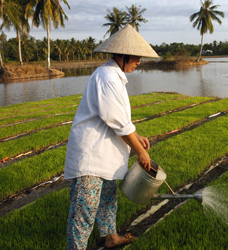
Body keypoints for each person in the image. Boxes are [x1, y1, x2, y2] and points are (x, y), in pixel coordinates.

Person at [64, 24, 160, 250]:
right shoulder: (107, 77)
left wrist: (136, 135)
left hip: (103, 155)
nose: (139, 62)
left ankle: (111, 238)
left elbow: (119, 119)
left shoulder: (114, 77)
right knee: (84, 211)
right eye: (137, 57)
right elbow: (117, 121)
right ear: (124, 55)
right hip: (91, 158)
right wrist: (139, 150)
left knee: (107, 198)